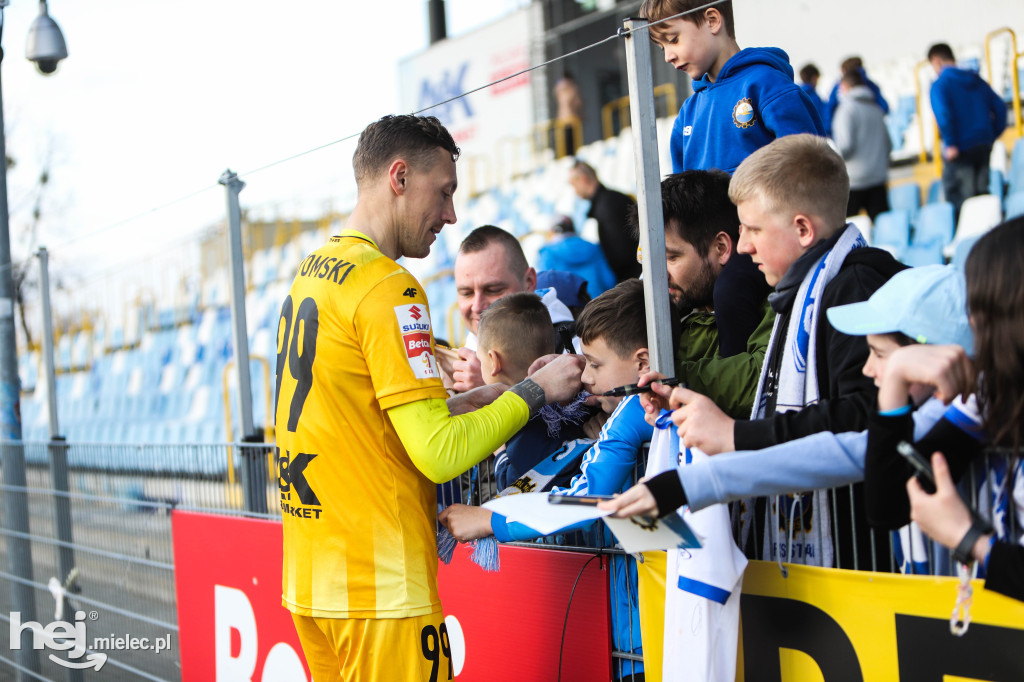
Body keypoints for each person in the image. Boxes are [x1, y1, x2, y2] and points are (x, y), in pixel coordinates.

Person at [274, 114, 584, 681]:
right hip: (380, 590)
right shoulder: (388, 286)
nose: (451, 214)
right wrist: (535, 391)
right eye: (443, 192)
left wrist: (471, 402)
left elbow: (362, 419)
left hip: (312, 577)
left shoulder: (311, 273)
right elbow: (440, 454)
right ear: (399, 177)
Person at [602, 264, 973, 574]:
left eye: (880, 354)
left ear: (936, 356)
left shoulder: (966, 414)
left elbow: (858, 474)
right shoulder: (939, 416)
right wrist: (683, 484)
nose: (869, 369)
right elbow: (844, 453)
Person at [639, 134, 905, 566]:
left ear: (803, 229)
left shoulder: (853, 289)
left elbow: (864, 416)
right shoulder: (798, 292)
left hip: (858, 557)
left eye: (753, 229)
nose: (744, 245)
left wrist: (735, 434)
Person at [441, 279, 682, 682]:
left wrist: (488, 520)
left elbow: (587, 499)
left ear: (643, 363)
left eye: (595, 365)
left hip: (643, 634)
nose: (585, 377)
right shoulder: (678, 395)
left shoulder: (633, 410)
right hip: (669, 620)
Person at [864, 217, 1024, 602]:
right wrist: (895, 380)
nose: (971, 323)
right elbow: (889, 505)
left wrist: (971, 540)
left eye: (981, 308)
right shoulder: (994, 393)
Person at [639, 0, 824, 175]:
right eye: (662, 48)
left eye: (673, 40)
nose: (668, 57)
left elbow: (809, 172)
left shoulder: (768, 86)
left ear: (712, 21)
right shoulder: (687, 113)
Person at [644, 170, 773, 418]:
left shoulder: (772, 298)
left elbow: (764, 377)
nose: (660, 275)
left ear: (721, 248)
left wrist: (664, 381)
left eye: (672, 257)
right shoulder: (670, 312)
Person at [474, 292, 593, 491]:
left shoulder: (521, 420)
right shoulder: (578, 396)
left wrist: (500, 451)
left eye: (480, 360)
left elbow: (514, 488)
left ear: (494, 361)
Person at [452, 225, 577, 391]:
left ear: (529, 282)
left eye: (493, 290)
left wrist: (492, 387)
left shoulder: (578, 346)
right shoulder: (464, 354)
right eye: (466, 293)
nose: (477, 306)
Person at [927, 42, 1007, 218]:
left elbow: (944, 114)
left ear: (936, 60)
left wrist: (951, 143)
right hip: (982, 144)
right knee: (982, 196)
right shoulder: (976, 79)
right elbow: (1000, 107)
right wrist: (991, 134)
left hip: (960, 149)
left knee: (962, 204)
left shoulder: (940, 85)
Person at [568, 160, 642, 283]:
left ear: (583, 179)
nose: (574, 190)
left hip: (634, 278)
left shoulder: (606, 205)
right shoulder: (608, 201)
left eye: (573, 184)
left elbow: (621, 254)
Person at [833, 70, 892, 220]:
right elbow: (888, 144)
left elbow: (845, 146)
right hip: (878, 178)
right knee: (882, 225)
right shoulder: (876, 109)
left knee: (847, 227)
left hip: (853, 181)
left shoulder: (846, 110)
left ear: (846, 86)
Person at [537, 215, 617, 297]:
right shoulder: (593, 247)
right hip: (598, 300)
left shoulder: (547, 253)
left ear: (554, 231)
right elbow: (608, 280)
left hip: (568, 304)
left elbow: (545, 287)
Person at [824, 56, 890, 135]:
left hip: (847, 128)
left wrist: (829, 130)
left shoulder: (839, 87)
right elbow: (884, 107)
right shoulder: (871, 85)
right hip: (871, 130)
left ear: (845, 71)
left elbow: (830, 108)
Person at [554, 72, 584, 156]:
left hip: (561, 118)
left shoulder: (558, 87)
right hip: (571, 117)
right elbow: (576, 101)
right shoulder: (571, 87)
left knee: (563, 143)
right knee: (572, 143)